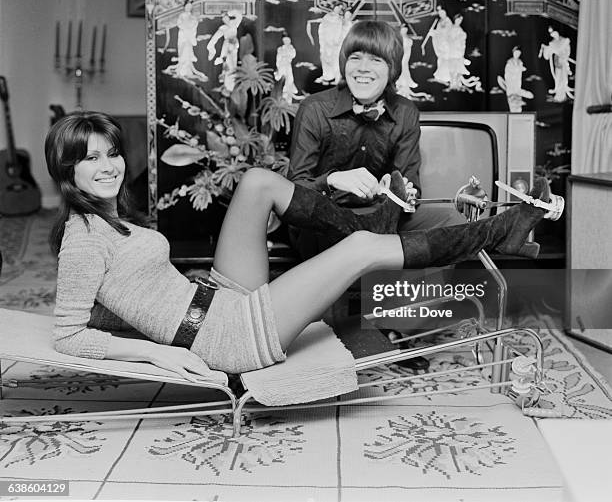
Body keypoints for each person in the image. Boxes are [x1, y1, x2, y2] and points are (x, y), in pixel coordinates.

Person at [45, 111, 554, 379]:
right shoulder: (81, 238)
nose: (108, 165)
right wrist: (157, 356)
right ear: (68, 171)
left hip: (214, 296)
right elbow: (67, 336)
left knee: (259, 183)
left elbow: (118, 300)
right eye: (90, 159)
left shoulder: (106, 219)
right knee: (361, 254)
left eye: (112, 153)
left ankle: (377, 225)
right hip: (223, 336)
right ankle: (499, 230)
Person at [288, 19, 466, 261]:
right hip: (323, 222)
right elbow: (294, 192)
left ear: (392, 68)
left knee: (451, 221)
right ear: (344, 63)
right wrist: (331, 180)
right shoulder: (314, 109)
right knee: (337, 238)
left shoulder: (406, 113)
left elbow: (409, 189)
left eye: (376, 60)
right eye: (355, 58)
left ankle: (419, 297)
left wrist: (396, 190)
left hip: (381, 219)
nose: (363, 68)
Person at [539, 26, 574, 102]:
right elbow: (547, 56)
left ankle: (564, 93)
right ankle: (558, 93)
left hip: (563, 61)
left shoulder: (564, 40)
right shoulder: (552, 43)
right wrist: (545, 49)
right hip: (557, 61)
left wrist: (565, 56)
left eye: (553, 32)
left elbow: (567, 50)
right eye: (551, 34)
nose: (553, 35)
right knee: (558, 77)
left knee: (564, 77)